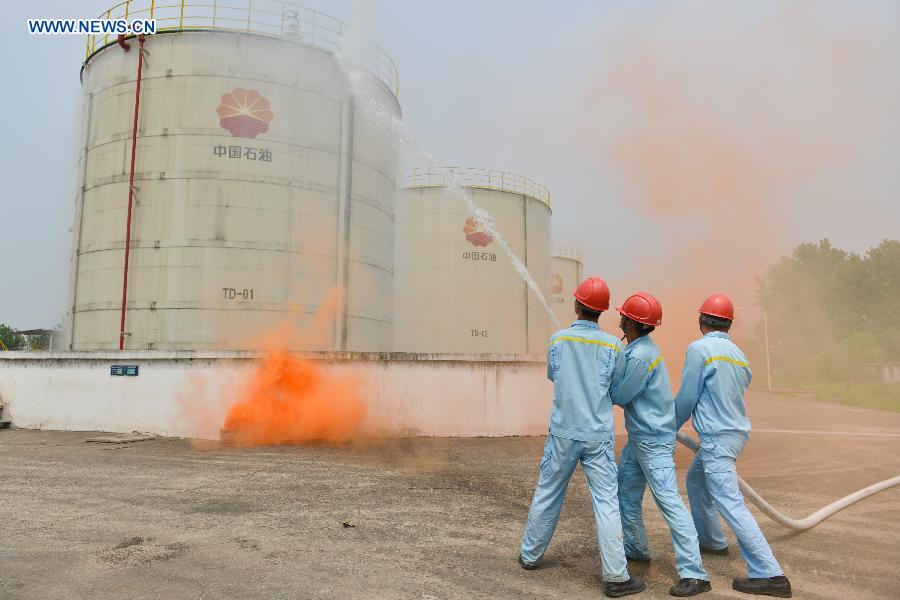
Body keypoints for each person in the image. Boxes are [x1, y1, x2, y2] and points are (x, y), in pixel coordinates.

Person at [519, 277, 645, 598]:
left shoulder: (557, 341)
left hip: (563, 432)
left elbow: (553, 374)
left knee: (548, 492)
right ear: (602, 312)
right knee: (606, 502)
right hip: (598, 436)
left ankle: (530, 556)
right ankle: (616, 577)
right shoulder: (614, 345)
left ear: (576, 305)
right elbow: (616, 387)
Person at [674, 294, 792, 598]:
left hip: (716, 438)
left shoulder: (699, 349)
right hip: (735, 434)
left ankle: (771, 574)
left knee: (730, 501)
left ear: (701, 321)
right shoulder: (739, 354)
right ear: (728, 324)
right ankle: (712, 540)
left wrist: (667, 426)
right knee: (696, 481)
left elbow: (687, 397)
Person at [611, 292, 711, 597]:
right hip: (640, 439)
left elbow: (621, 395)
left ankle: (695, 574)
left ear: (629, 322)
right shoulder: (640, 348)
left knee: (669, 501)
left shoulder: (641, 356)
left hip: (653, 442)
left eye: (623, 315)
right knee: (624, 492)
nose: (621, 318)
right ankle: (636, 549)